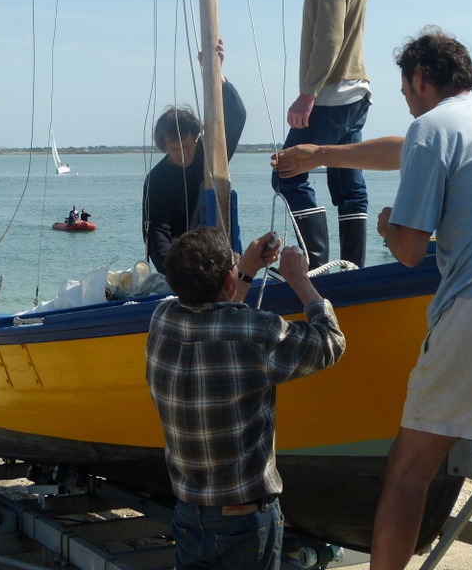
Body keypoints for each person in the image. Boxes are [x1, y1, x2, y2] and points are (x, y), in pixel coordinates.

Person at [273, 27, 472, 570]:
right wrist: (323, 154)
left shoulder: (431, 129)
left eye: (405, 93)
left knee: (408, 470)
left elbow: (411, 252)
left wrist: (389, 224)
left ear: (420, 78)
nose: (408, 106)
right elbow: (411, 148)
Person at [145, 226, 345, 570]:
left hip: (189, 512)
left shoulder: (162, 320)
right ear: (226, 279)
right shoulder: (255, 332)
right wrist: (300, 281)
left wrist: (246, 270)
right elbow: (330, 343)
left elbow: (216, 318)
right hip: (244, 518)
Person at [269, 0, 372, 269]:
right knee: (347, 183)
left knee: (286, 172)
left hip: (330, 95)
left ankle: (317, 264)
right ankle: (351, 268)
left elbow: (329, 38)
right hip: (355, 93)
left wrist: (308, 93)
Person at [142, 40, 246, 274]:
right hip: (185, 264)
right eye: (174, 149)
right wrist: (176, 272)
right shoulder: (156, 180)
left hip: (223, 255)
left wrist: (217, 75)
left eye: (186, 146)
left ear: (196, 138)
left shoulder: (211, 155)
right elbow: (157, 233)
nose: (182, 154)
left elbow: (237, 115)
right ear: (164, 147)